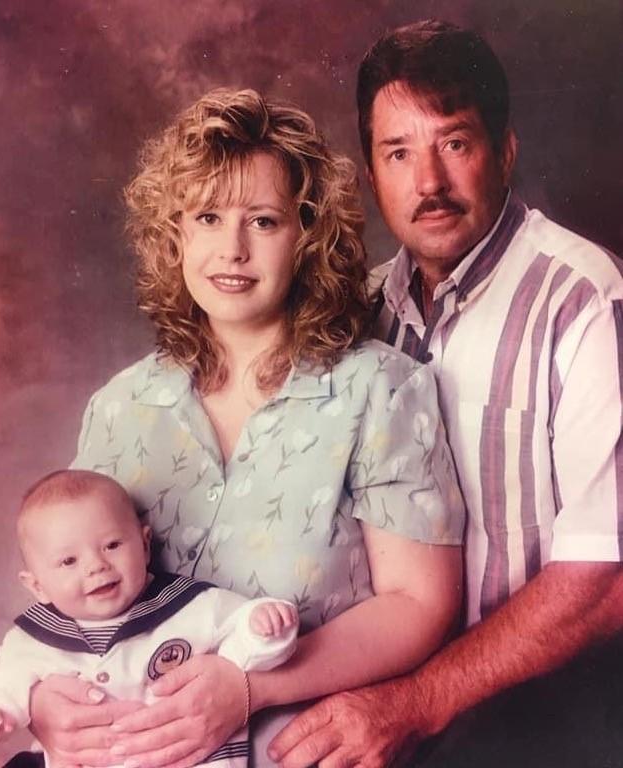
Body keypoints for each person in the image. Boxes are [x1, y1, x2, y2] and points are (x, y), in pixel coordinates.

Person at [19, 88, 465, 767]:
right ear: (175, 235)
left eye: (263, 221)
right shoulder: (120, 406)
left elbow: (419, 604)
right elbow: (73, 589)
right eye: (207, 217)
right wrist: (45, 697)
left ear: (307, 236)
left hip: (302, 752)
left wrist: (251, 686)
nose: (232, 249)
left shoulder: (380, 389)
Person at [266, 19, 623, 768]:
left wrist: (419, 702)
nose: (428, 183)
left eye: (454, 143)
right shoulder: (359, 314)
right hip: (387, 677)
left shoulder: (582, 299)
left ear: (506, 151)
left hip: (547, 690)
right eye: (399, 153)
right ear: (370, 175)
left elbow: (607, 580)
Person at [0, 469, 299, 768]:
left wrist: (262, 629)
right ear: (37, 585)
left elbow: (243, 639)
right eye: (68, 561)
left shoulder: (187, 604)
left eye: (112, 545)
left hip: (188, 757)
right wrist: (0, 708)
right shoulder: (34, 637)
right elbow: (8, 679)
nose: (96, 566)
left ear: (144, 544)